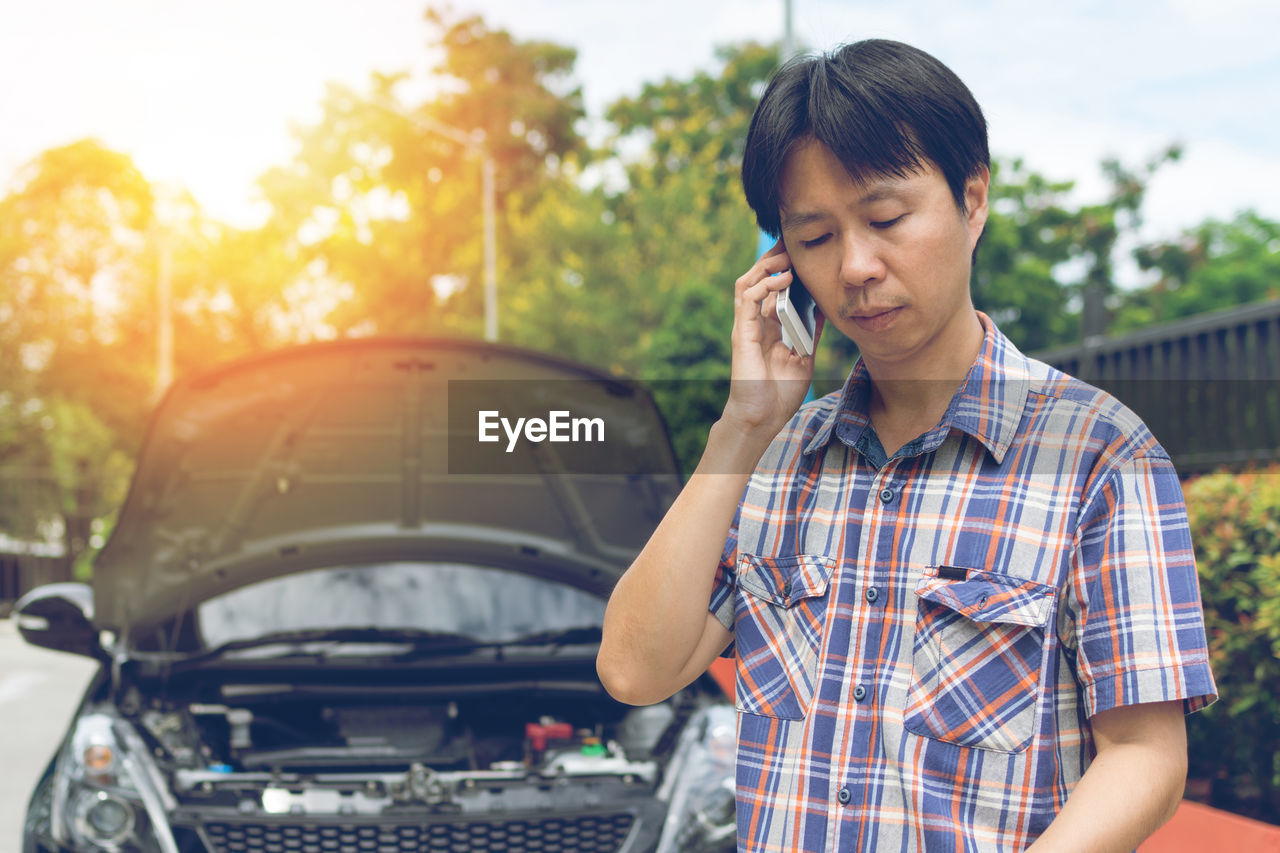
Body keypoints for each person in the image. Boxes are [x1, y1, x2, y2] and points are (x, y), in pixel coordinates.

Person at [597, 38, 1218, 852]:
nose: (856, 266)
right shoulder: (778, 460)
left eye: (887, 218)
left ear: (973, 200)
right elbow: (637, 670)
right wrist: (744, 427)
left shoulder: (1103, 456)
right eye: (814, 238)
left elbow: (1145, 754)